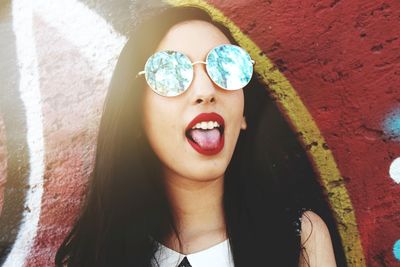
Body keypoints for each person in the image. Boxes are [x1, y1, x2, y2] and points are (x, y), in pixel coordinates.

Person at [55, 5, 339, 267]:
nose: (205, 91)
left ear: (243, 116)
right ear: (136, 116)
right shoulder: (98, 253)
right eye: (170, 72)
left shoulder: (299, 238)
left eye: (226, 66)